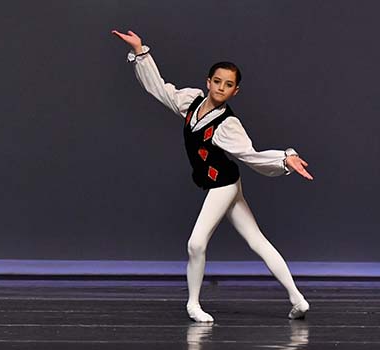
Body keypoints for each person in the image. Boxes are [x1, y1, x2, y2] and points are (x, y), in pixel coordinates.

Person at [112, 29, 313, 322]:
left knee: (196, 243)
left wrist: (284, 158)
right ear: (208, 82)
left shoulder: (227, 124)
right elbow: (160, 89)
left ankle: (193, 303)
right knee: (258, 241)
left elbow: (251, 155)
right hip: (221, 184)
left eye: (228, 85)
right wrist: (141, 52)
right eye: (217, 81)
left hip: (224, 185)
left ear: (235, 91)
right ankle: (298, 299)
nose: (221, 88)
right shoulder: (191, 102)